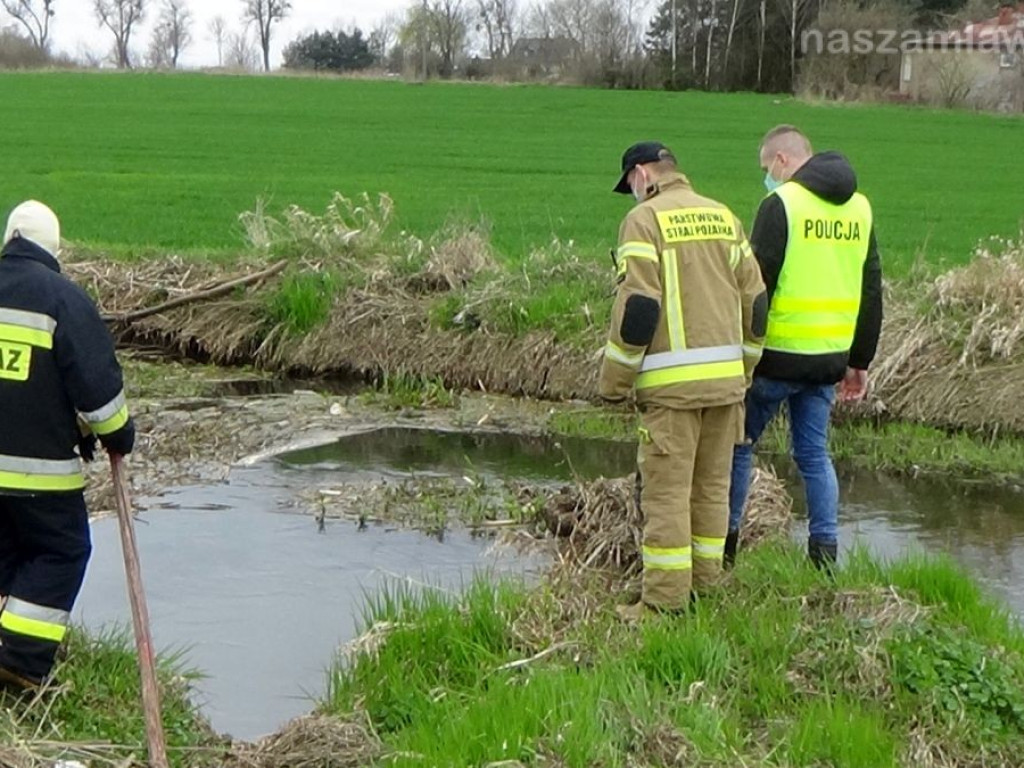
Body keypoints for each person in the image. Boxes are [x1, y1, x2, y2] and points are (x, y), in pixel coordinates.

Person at [599, 142, 767, 618]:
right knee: (711, 489)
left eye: (629, 183)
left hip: (672, 392)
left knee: (668, 495)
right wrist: (746, 369)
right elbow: (756, 305)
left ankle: (663, 605)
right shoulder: (723, 216)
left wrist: (614, 382)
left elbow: (638, 309)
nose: (630, 192)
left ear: (641, 173)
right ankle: (705, 587)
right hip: (727, 388)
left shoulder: (644, 221)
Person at [726, 125, 883, 569]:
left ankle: (726, 546)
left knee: (740, 444)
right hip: (828, 360)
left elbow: (759, 286)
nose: (766, 178)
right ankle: (824, 555)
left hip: (775, 358)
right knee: (814, 455)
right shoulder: (860, 208)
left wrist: (741, 351)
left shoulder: (781, 205)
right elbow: (872, 290)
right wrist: (859, 361)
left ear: (780, 161)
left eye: (766, 168)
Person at [0, 200, 135, 691]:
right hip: (40, 477)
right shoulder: (63, 301)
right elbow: (99, 393)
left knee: (7, 556)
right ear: (54, 248)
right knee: (61, 551)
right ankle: (21, 660)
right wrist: (118, 437)